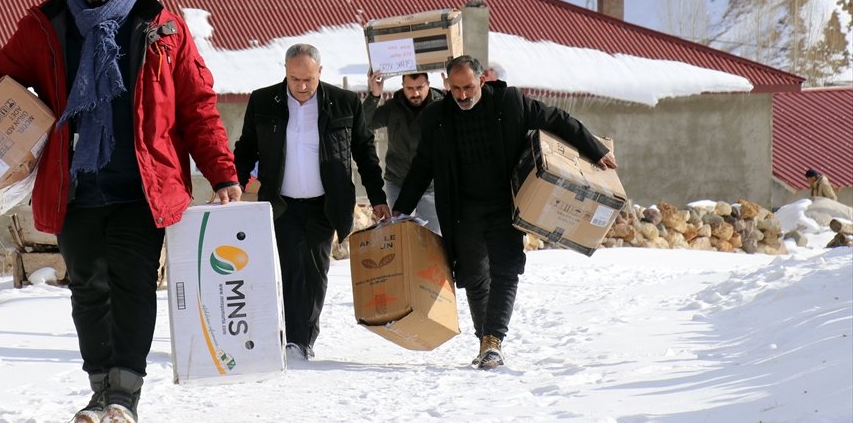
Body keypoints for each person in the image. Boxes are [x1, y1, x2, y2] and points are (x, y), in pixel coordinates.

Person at [0, 0, 241, 423]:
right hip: (73, 185)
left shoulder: (161, 25)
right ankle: (100, 392)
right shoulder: (46, 25)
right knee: (89, 288)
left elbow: (197, 106)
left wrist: (222, 174)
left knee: (132, 284)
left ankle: (125, 397)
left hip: (144, 186)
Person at [383, 54, 616, 370]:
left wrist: (595, 148)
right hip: (462, 210)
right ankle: (485, 341)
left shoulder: (510, 102)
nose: (463, 95)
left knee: (506, 270)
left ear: (482, 80)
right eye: (456, 89)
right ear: (446, 84)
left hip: (504, 206)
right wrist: (399, 211)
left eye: (468, 87)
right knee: (474, 276)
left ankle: (493, 341)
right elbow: (423, 166)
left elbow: (557, 119)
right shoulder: (436, 116)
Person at [234, 44, 386, 361]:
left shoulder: (344, 103)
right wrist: (230, 184)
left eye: (308, 79)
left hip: (325, 203)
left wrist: (378, 198)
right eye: (294, 79)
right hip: (282, 203)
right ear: (286, 73)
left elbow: (365, 153)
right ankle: (295, 340)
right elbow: (246, 148)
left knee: (316, 271)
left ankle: (306, 336)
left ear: (320, 72)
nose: (302, 86)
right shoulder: (264, 101)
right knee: (292, 267)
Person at [364, 70, 444, 234]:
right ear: (402, 86)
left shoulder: (441, 105)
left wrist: (453, 99)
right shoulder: (394, 107)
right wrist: (374, 95)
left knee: (433, 237)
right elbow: (365, 124)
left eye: (420, 87)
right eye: (410, 88)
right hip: (398, 180)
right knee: (400, 235)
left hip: (430, 184)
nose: (415, 93)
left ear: (428, 84)